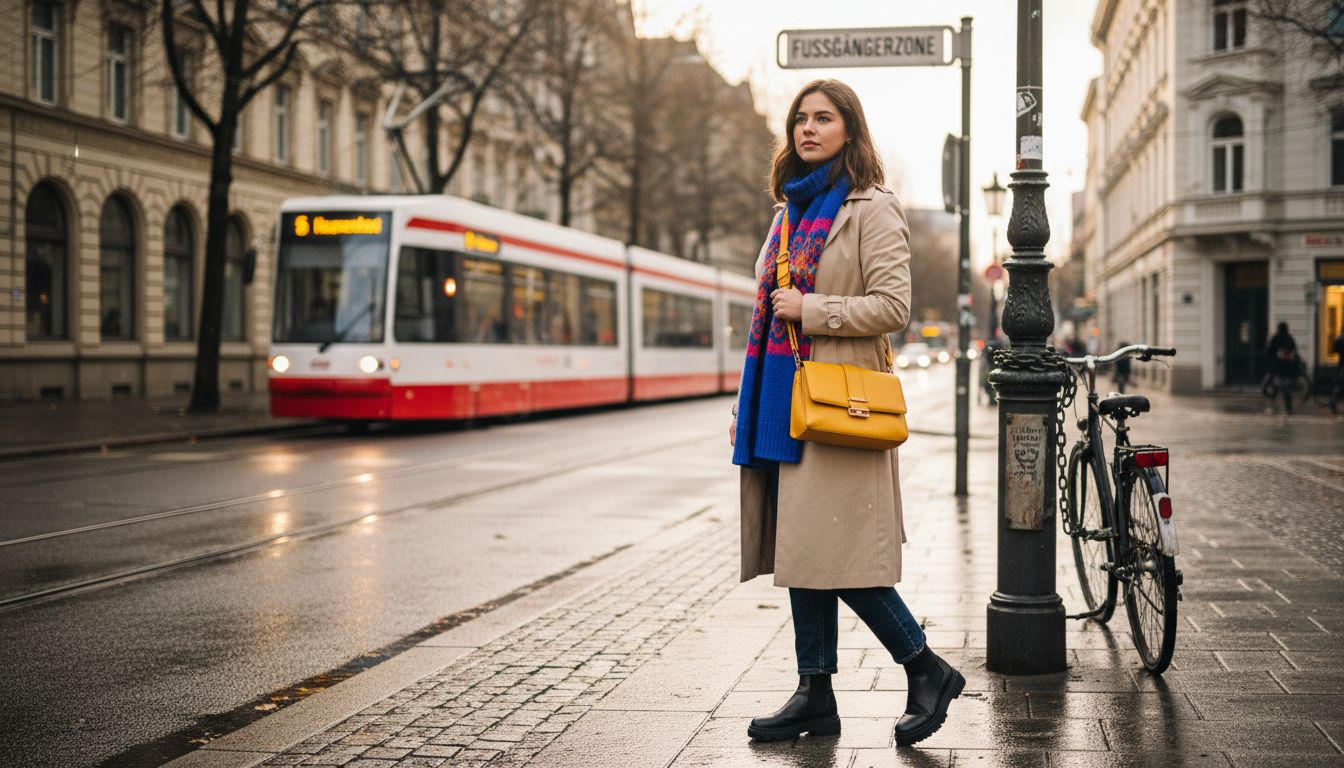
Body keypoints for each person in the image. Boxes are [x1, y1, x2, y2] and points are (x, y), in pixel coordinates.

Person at [728, 79, 964, 748]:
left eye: (823, 118)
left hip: (840, 405)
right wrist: (749, 402)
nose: (807, 128)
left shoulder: (871, 207)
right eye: (800, 118)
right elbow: (765, 320)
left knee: (835, 552)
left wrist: (814, 308)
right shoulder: (786, 215)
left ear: (849, 131)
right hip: (784, 403)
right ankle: (816, 694)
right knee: (803, 550)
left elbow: (893, 306)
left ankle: (925, 666)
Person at [1265, 322, 1299, 414]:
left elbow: (1269, 352)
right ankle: (1288, 408)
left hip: (1277, 367)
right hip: (1288, 368)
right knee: (1286, 388)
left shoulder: (1275, 338)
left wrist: (1269, 365)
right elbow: (1294, 352)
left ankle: (1273, 403)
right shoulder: (1290, 339)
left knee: (1272, 386)